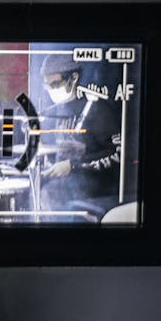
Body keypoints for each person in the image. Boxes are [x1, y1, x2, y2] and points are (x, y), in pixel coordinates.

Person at [39, 52, 121, 219]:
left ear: (73, 78)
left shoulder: (97, 109)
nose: (51, 91)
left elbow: (118, 154)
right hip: (66, 183)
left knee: (50, 193)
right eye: (47, 86)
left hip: (97, 186)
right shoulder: (53, 111)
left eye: (55, 84)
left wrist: (74, 165)